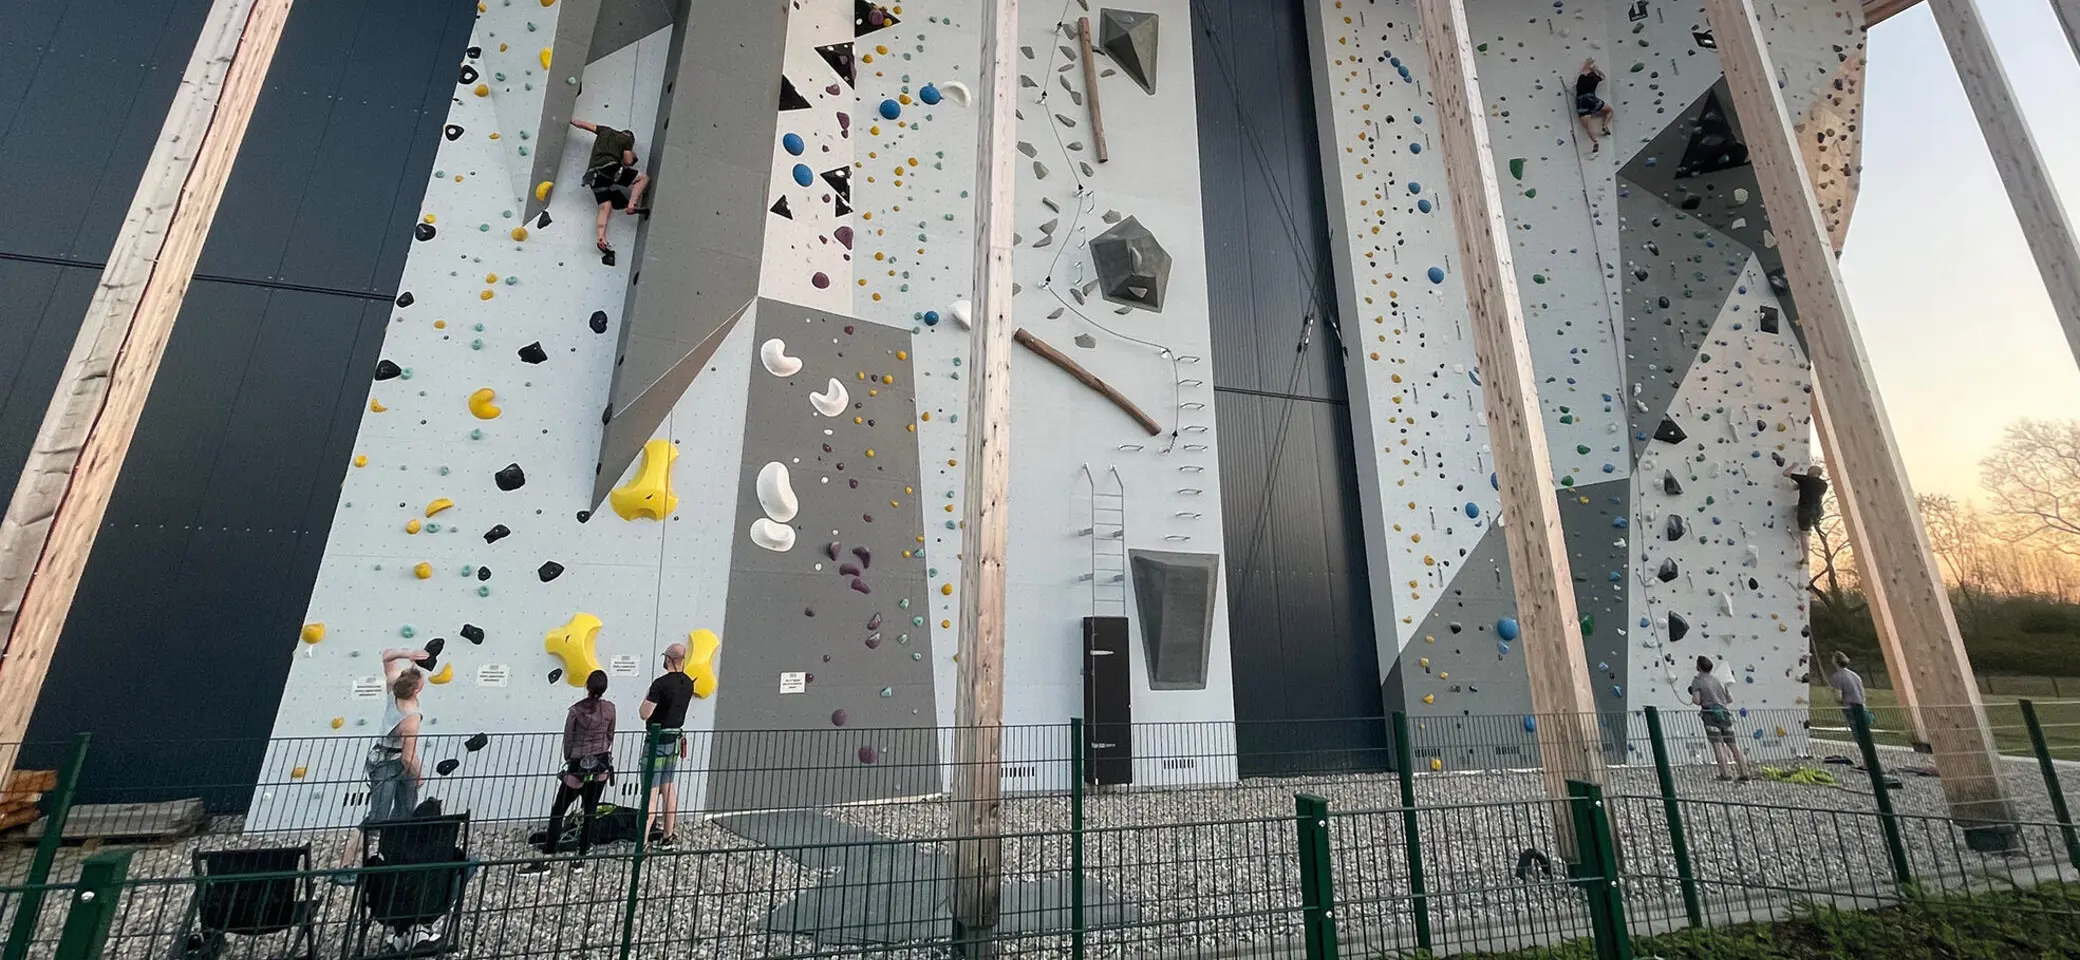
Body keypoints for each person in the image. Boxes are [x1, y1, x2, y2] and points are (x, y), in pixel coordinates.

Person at [522, 671, 617, 873]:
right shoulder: (610, 708)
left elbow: (568, 739)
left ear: (587, 686)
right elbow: (610, 735)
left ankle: (548, 857)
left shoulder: (576, 711)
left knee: (558, 811)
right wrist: (602, 748)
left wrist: (571, 759)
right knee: (590, 811)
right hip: (600, 766)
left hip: (577, 766)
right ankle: (580, 859)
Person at [640, 643, 697, 848]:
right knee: (669, 786)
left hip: (656, 740)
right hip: (674, 741)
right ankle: (668, 836)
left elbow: (644, 713)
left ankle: (643, 841)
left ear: (669, 659)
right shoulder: (689, 683)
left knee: (651, 790)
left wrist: (648, 694)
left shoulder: (660, 684)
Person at [570, 119, 649, 261]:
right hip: (609, 169)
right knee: (642, 178)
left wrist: (570, 120)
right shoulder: (627, 139)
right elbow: (627, 162)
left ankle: (601, 238)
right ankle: (632, 205)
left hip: (592, 175)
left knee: (605, 208)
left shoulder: (605, 130)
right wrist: (633, 155)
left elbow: (583, 125)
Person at [1690, 655, 1751, 782]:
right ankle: (1744, 772)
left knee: (1717, 745)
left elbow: (1697, 700)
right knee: (1733, 745)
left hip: (1709, 715)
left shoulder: (1697, 681)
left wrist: (1696, 694)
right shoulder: (1719, 681)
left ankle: (1725, 774)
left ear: (1699, 667)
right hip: (1724, 714)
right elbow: (1729, 699)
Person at [1576, 59, 1615, 151]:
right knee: (1609, 110)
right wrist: (1596, 69)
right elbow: (1603, 76)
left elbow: (1584, 70)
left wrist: (1587, 64)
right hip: (1592, 100)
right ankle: (1605, 125)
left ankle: (1595, 142)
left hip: (1581, 103)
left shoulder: (1581, 78)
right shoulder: (1595, 80)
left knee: (1588, 127)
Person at [1828, 651, 1869, 731]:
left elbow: (1838, 698)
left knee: (1856, 732)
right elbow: (1862, 693)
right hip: (1861, 707)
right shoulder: (1855, 675)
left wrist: (1833, 692)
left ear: (1835, 661)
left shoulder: (1837, 677)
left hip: (1850, 708)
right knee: (1864, 732)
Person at [1784, 463, 1828, 535]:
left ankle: (1803, 533)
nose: (1807, 472)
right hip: (1817, 511)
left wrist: (1793, 466)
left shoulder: (1804, 479)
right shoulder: (1824, 484)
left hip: (1805, 510)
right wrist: (1799, 486)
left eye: (1809, 470)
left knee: (1803, 535)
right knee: (1795, 510)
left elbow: (1785, 473)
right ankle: (1806, 529)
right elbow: (1812, 491)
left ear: (1812, 472)